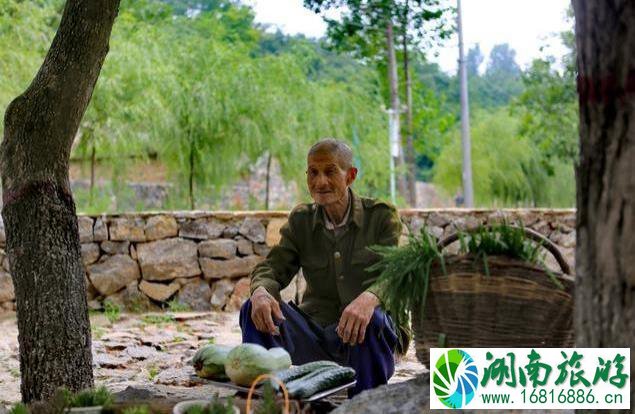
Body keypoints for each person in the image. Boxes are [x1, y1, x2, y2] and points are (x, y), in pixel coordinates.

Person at [239, 138, 403, 397]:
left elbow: (397, 275)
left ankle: (365, 404)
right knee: (252, 308)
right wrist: (260, 291)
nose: (320, 182)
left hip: (366, 341)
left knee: (373, 318)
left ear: (350, 175)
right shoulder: (301, 221)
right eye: (313, 173)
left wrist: (371, 298)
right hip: (315, 335)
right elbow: (272, 267)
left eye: (330, 171)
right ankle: (263, 401)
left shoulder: (381, 217)